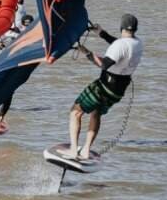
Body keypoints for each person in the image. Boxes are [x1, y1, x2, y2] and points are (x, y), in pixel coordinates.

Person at [61, 13, 143, 161]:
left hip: (104, 86)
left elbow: (105, 64)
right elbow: (120, 45)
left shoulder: (120, 45)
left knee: (75, 112)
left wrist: (86, 52)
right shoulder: (138, 43)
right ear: (134, 29)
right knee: (95, 112)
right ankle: (85, 150)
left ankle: (74, 150)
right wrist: (102, 33)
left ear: (121, 27)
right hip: (118, 91)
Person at [0, 3, 35, 135]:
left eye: (30, 27)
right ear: (22, 24)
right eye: (26, 26)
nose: (27, 29)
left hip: (9, 67)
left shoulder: (29, 39)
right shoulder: (9, 32)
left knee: (8, 93)